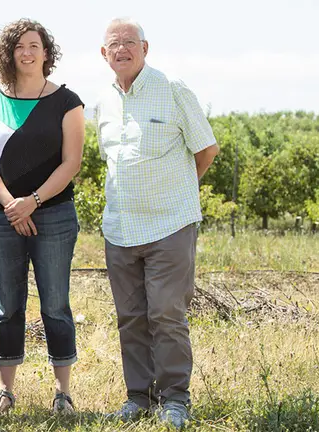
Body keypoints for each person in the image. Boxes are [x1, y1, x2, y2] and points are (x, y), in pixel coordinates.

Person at [94, 17, 219, 429]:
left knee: (166, 313)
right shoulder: (103, 103)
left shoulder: (173, 90)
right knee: (130, 316)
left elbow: (206, 149)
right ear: (104, 53)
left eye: (130, 42)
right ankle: (139, 398)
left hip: (170, 225)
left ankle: (175, 400)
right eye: (114, 44)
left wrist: (179, 191)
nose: (122, 50)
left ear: (146, 49)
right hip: (120, 229)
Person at [0, 18, 85, 415]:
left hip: (53, 214)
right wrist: (11, 205)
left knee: (55, 304)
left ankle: (63, 394)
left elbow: (72, 162)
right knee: (9, 306)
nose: (27, 51)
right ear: (9, 53)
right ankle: (5, 392)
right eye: (20, 46)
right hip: (1, 217)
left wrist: (33, 201)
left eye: (34, 45)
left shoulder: (67, 101)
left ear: (46, 52)